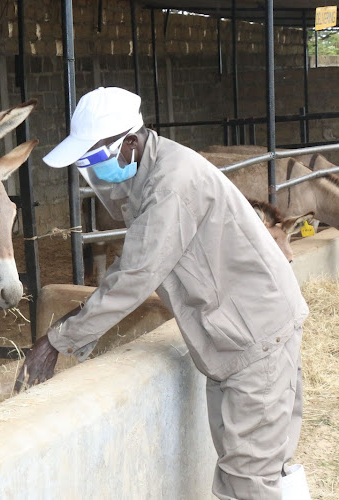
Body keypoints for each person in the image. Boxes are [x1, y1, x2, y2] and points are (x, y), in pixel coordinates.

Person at [16, 87, 310, 500]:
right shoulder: (154, 171)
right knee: (254, 469)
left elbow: (136, 275)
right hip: (240, 335)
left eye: (96, 160)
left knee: (247, 480)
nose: (95, 174)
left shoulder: (170, 184)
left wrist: (56, 340)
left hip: (254, 339)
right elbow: (135, 261)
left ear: (130, 144)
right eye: (87, 165)